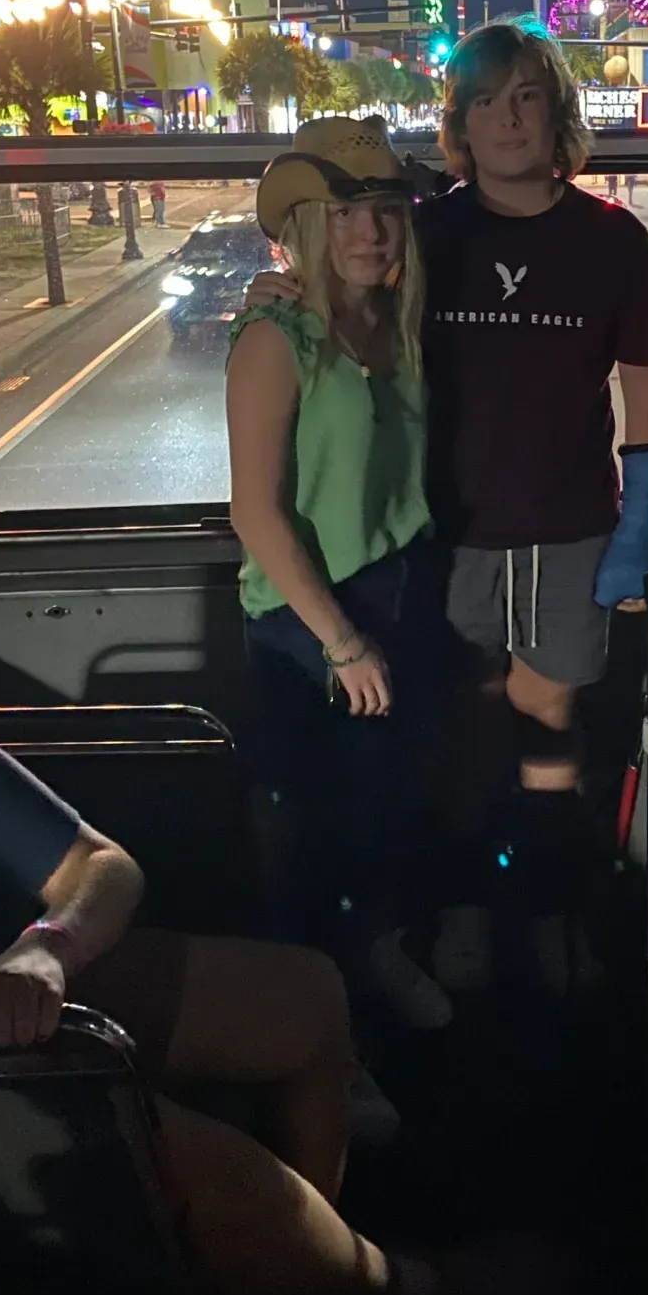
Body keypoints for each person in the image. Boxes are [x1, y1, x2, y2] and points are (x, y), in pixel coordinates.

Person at [247, 22, 648, 994]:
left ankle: (548, 903)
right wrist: (273, 294)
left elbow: (644, 387)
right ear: (460, 125)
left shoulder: (612, 239)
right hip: (438, 531)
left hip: (570, 525)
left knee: (549, 721)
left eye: (527, 97)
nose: (508, 119)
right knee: (451, 734)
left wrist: (641, 522)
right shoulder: (427, 233)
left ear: (557, 114)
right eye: (485, 102)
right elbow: (347, 298)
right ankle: (466, 909)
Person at [0, 692, 422, 1295]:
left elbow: (99, 867)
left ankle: (290, 1290)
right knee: (226, 1191)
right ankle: (365, 1284)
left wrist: (44, 949)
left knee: (303, 998)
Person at [227, 115, 452, 1032]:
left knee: (384, 805)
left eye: (385, 210)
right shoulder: (275, 336)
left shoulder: (395, 326)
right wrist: (342, 642)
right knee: (314, 830)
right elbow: (255, 513)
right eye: (344, 212)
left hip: (397, 588)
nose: (370, 231)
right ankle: (316, 1024)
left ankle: (372, 963)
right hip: (307, 618)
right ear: (308, 228)